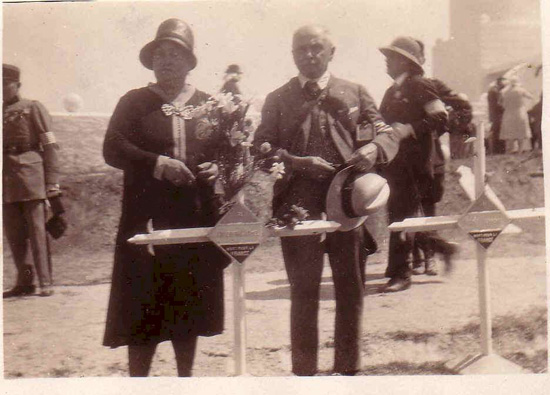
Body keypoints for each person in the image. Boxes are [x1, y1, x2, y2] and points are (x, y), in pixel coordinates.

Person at [254, 25, 408, 376]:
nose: (309, 55)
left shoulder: (354, 92)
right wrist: (295, 161)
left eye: (316, 48)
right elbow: (261, 148)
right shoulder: (278, 99)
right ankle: (305, 373)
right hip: (297, 206)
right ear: (292, 56)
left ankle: (348, 370)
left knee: (350, 289)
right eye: (301, 50)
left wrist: (373, 148)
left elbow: (387, 134)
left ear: (331, 52)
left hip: (349, 203)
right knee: (303, 291)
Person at [102, 18, 230, 377]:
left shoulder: (210, 105)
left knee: (187, 308)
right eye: (160, 53)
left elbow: (228, 152)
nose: (167, 60)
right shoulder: (134, 102)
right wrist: (157, 163)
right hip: (144, 218)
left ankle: (184, 380)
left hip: (194, 218)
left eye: (175, 53)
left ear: (190, 61)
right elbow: (112, 148)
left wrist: (218, 168)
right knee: (142, 308)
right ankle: (138, 382)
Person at [378, 36, 449, 291]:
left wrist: (411, 129)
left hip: (415, 166)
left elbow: (441, 118)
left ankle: (401, 275)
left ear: (405, 61)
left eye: (391, 57)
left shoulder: (421, 85)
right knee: (397, 215)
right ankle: (399, 268)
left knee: (403, 216)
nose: (386, 62)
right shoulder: (391, 91)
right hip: (395, 164)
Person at [3, 64, 61, 298]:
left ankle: (46, 282)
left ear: (17, 85)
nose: (2, 88)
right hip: (6, 180)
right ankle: (25, 282)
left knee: (37, 232)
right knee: (14, 233)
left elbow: (50, 145)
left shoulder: (32, 108)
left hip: (31, 175)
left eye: (6, 83)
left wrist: (52, 181)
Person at [500, 77, 535, 153]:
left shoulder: (504, 91)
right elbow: (531, 97)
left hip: (508, 113)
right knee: (521, 133)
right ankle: (520, 151)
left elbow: (501, 104)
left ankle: (509, 151)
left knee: (509, 133)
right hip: (519, 112)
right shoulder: (521, 90)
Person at [487, 77, 507, 154]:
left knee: (496, 132)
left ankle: (497, 150)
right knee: (498, 132)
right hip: (497, 115)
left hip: (494, 115)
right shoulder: (495, 91)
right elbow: (498, 105)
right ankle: (499, 150)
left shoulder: (492, 90)